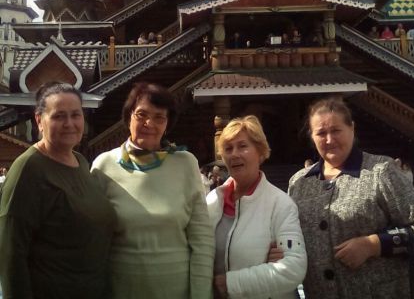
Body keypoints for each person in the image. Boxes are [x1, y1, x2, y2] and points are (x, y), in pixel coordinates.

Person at [288, 97, 414, 299]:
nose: (329, 139)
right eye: (321, 133)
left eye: (336, 130)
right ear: (312, 137)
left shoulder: (380, 172)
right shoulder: (299, 183)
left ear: (352, 129)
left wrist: (373, 244)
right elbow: (294, 237)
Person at [91, 82, 214, 299]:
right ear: (129, 116)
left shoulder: (185, 163)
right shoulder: (104, 166)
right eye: (142, 115)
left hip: (177, 290)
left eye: (159, 117)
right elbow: (93, 238)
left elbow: (202, 239)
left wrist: (201, 294)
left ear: (167, 124)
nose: (149, 123)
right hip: (121, 289)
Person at [0, 81, 116, 299]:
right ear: (39, 120)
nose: (69, 123)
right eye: (59, 116)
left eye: (76, 115)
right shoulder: (29, 169)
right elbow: (11, 254)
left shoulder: (80, 161)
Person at [207, 115, 307, 299]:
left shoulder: (280, 204)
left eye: (242, 146)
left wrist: (229, 284)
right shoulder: (212, 201)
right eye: (228, 148)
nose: (234, 154)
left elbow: (293, 267)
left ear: (260, 152)